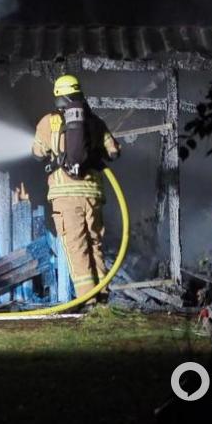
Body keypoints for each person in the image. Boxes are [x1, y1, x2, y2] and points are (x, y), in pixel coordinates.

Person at [32, 74, 120, 304]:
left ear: (58, 97)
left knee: (76, 247)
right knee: (95, 245)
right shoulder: (95, 121)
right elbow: (114, 151)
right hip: (93, 194)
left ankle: (88, 301)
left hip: (65, 195)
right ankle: (102, 299)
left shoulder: (47, 122)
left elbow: (37, 153)